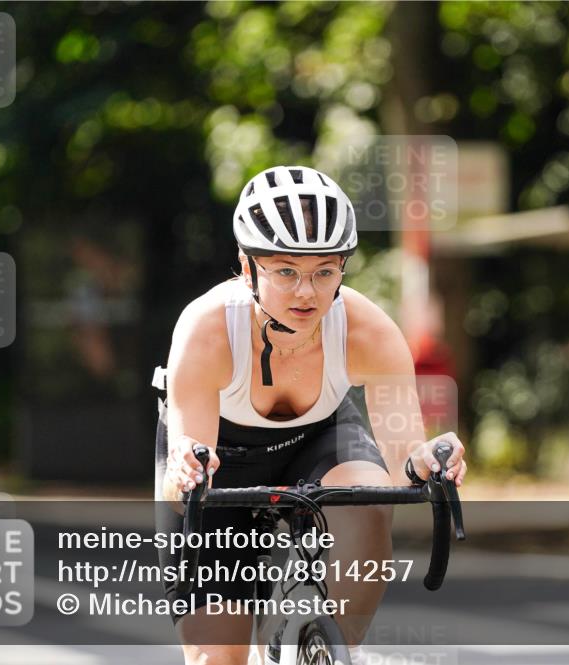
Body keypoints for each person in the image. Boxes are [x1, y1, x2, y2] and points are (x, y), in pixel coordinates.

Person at [154, 165, 468, 665]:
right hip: (222, 461)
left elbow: (405, 454)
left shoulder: (367, 330)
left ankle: (336, 653)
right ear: (247, 264)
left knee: (368, 504)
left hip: (320, 440)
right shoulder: (206, 331)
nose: (307, 292)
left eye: (325, 271)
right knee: (217, 659)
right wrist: (185, 472)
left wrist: (430, 459)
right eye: (286, 272)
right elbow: (183, 477)